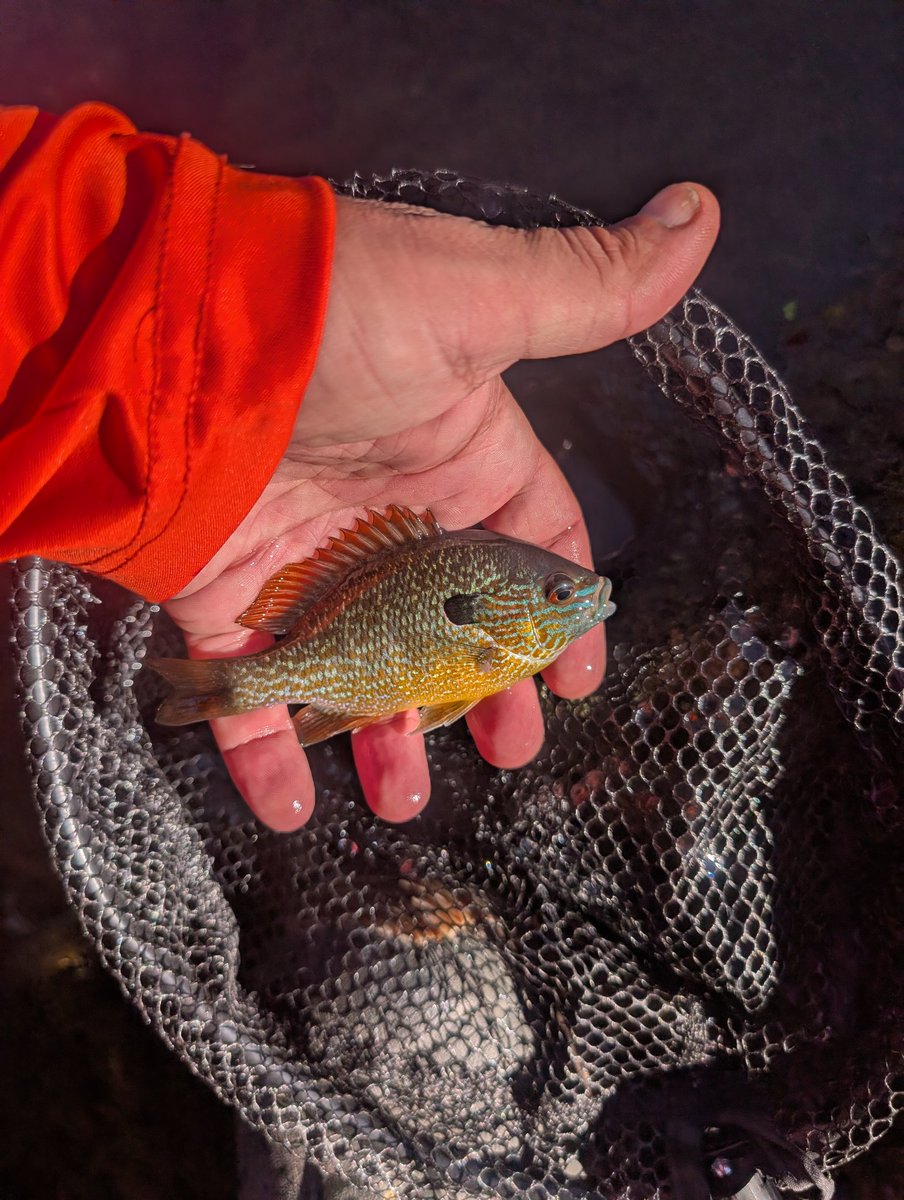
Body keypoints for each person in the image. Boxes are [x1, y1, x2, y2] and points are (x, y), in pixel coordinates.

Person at [0, 101, 720, 831]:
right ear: (506, 605)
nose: (582, 589)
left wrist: (244, 327)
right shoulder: (489, 640)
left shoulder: (491, 628)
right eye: (560, 593)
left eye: (563, 590)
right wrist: (256, 314)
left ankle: (233, 681)